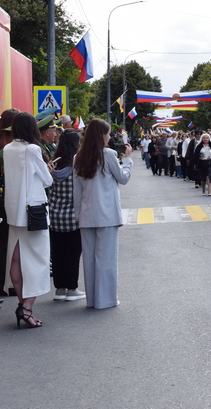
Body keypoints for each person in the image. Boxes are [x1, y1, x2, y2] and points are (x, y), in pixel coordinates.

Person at [73, 118, 133, 309]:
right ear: (101, 135)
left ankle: (92, 299)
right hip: (107, 214)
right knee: (106, 259)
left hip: (86, 214)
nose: (109, 137)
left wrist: (77, 215)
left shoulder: (78, 157)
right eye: (107, 133)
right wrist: (129, 159)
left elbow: (77, 191)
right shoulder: (108, 154)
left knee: (89, 260)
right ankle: (105, 300)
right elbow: (123, 178)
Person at [3, 112, 54, 328]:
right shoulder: (33, 149)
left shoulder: (7, 149)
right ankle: (27, 307)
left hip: (14, 212)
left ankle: (22, 304)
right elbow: (48, 180)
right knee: (39, 261)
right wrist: (47, 168)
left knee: (15, 259)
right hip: (34, 212)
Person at [49, 128, 86, 301]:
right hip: (73, 217)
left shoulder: (54, 163)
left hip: (55, 216)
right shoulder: (78, 165)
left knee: (57, 254)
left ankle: (59, 289)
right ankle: (72, 289)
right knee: (72, 254)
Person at [0, 107, 19, 297]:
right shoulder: (7, 151)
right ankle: (6, 283)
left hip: (3, 202)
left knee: (7, 243)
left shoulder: (2, 148)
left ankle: (6, 282)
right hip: (7, 202)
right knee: (8, 244)